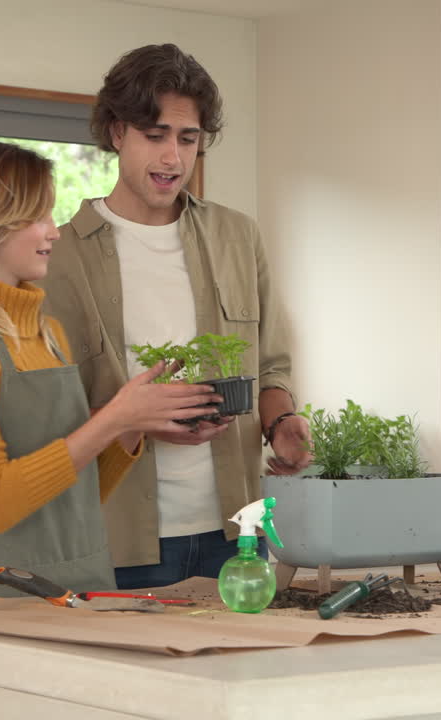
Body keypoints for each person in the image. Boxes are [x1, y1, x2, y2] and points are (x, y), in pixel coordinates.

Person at [41, 44, 313, 590]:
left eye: (188, 139)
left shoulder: (239, 236)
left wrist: (281, 424)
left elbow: (272, 365)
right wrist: (137, 417)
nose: (172, 158)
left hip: (237, 533)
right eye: (155, 136)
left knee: (243, 673)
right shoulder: (59, 255)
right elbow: (47, 411)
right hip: (118, 538)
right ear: (118, 133)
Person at [0, 141, 222, 601]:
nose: (53, 232)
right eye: (39, 217)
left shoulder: (46, 330)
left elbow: (77, 497)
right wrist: (114, 417)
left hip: (85, 590)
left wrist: (134, 425)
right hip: (4, 599)